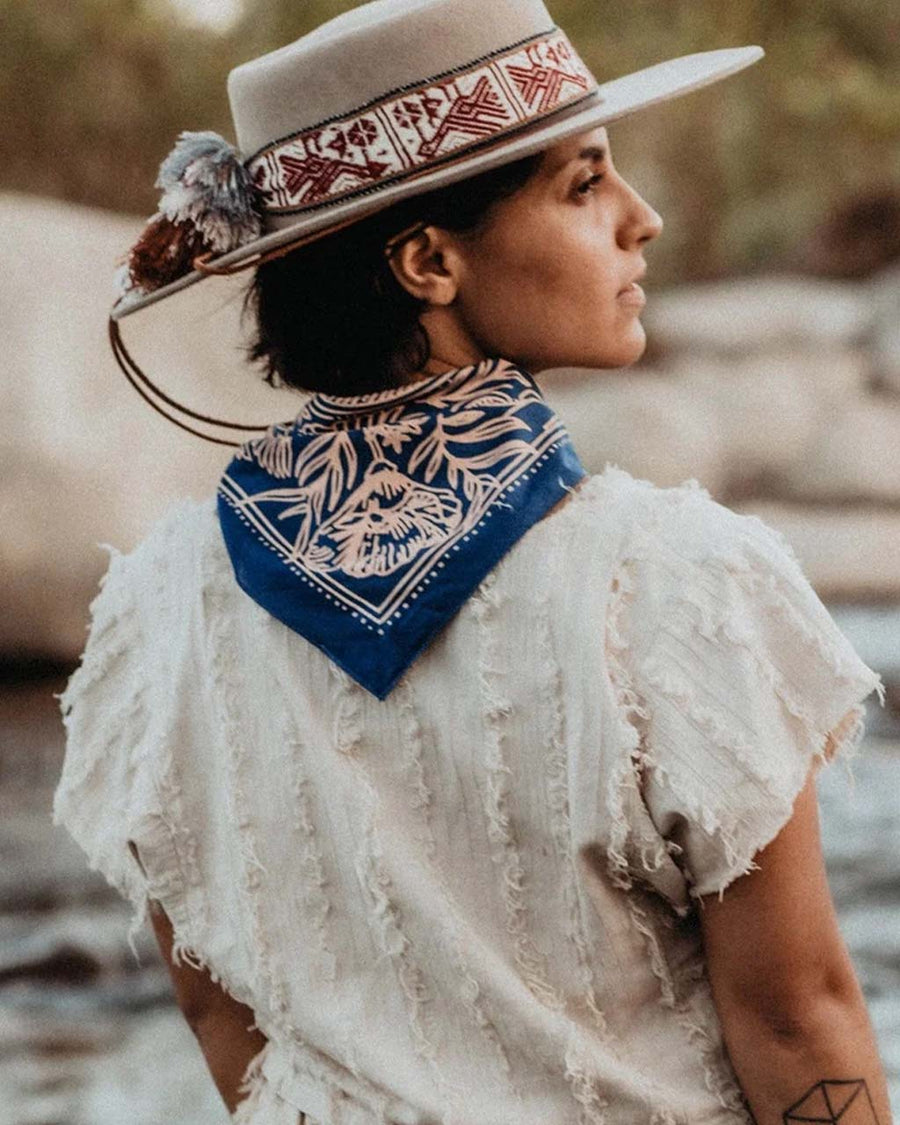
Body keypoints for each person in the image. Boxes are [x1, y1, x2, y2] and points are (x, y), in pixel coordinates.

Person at [53, 1, 894, 1123]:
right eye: (585, 183)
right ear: (428, 261)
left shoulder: (161, 610)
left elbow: (220, 1013)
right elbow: (796, 1016)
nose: (642, 219)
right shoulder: (675, 579)